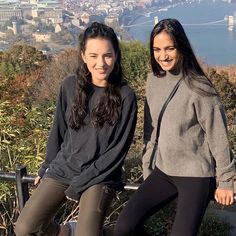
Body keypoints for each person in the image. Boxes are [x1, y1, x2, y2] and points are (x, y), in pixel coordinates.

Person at [114, 18, 235, 236]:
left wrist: (226, 181)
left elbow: (218, 137)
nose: (163, 55)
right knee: (123, 228)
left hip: (196, 174)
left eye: (169, 48)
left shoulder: (199, 86)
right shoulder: (153, 80)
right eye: (157, 49)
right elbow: (151, 130)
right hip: (164, 170)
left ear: (181, 47)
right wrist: (147, 165)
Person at [15, 22, 137, 236]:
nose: (101, 63)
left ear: (116, 55)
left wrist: (79, 183)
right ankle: (66, 232)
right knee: (25, 228)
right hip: (65, 167)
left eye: (107, 55)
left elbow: (117, 151)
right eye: (93, 55)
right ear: (83, 56)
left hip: (101, 175)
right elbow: (58, 131)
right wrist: (46, 167)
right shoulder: (69, 86)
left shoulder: (125, 95)